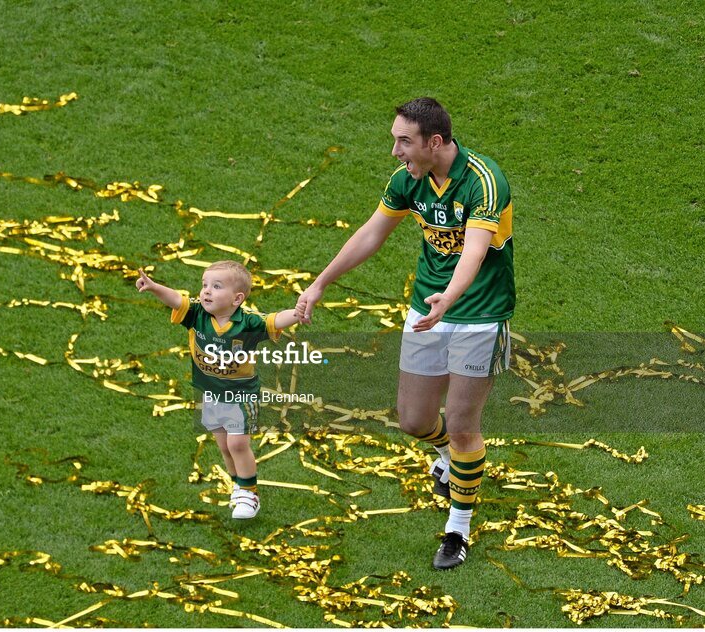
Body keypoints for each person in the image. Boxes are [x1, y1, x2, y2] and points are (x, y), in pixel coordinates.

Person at [294, 97, 514, 569]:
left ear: (434, 142)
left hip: (479, 313)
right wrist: (319, 284)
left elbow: (474, 253)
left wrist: (448, 300)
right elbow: (371, 234)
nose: (395, 151)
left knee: (461, 424)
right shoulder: (408, 181)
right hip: (426, 310)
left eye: (403, 141)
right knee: (413, 420)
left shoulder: (484, 182)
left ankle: (458, 528)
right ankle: (446, 455)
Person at [137, 260, 303, 519]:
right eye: (204, 285)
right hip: (211, 394)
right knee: (225, 447)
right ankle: (239, 487)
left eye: (216, 286)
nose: (206, 291)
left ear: (237, 298)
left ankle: (250, 494)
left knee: (237, 444)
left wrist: (298, 313)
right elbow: (176, 300)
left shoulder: (247, 323)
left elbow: (275, 320)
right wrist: (154, 286)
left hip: (240, 395)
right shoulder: (196, 314)